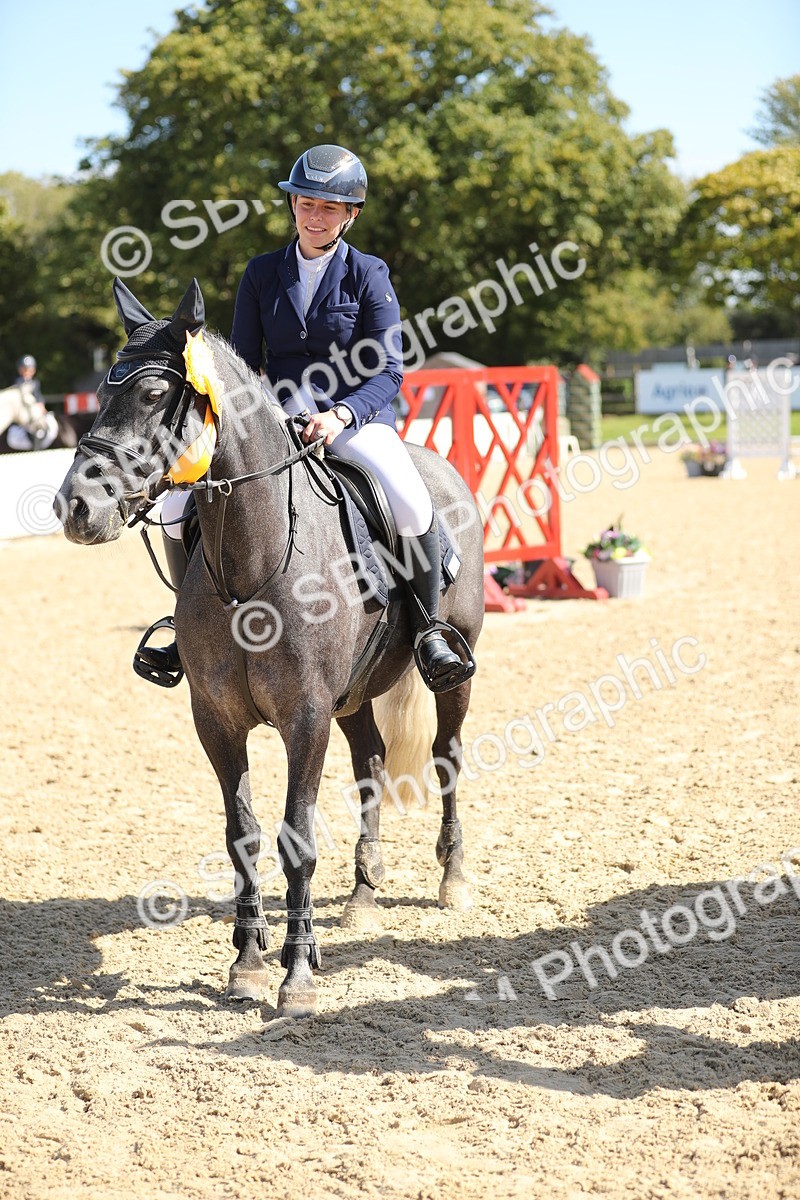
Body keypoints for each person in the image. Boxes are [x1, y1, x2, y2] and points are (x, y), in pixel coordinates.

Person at [137, 143, 474, 693]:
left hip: (355, 419)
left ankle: (429, 628)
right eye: (306, 204)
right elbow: (243, 365)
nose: (314, 217)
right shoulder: (262, 273)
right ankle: (187, 627)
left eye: (329, 208)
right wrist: (261, 417)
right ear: (292, 206)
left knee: (409, 498)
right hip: (276, 420)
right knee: (177, 503)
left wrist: (342, 416)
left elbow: (390, 369)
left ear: (350, 215)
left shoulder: (369, 273)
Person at [4, 354, 59, 451]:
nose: (27, 372)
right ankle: (35, 449)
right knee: (33, 429)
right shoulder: (17, 382)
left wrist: (42, 407)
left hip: (35, 411)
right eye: (24, 369)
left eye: (29, 369)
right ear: (20, 369)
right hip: (24, 414)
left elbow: (38, 398)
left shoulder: (35, 382)